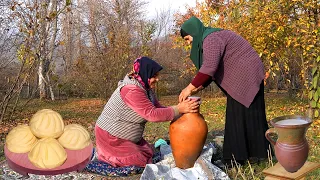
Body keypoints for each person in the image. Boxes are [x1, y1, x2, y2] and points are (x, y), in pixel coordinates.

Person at [178, 16, 271, 166]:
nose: (189, 43)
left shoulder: (211, 39)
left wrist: (189, 88)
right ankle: (258, 155)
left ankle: (234, 160)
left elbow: (208, 69)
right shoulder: (211, 37)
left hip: (245, 75)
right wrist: (197, 88)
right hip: (248, 73)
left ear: (194, 33)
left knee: (237, 117)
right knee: (250, 115)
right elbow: (209, 73)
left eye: (188, 39)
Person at [95, 56, 199, 167]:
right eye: (154, 76)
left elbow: (158, 108)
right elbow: (152, 114)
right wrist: (179, 109)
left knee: (148, 153)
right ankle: (106, 155)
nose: (157, 79)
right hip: (111, 137)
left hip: (126, 137)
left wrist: (180, 112)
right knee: (140, 161)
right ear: (145, 74)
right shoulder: (131, 90)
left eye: (157, 75)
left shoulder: (146, 88)